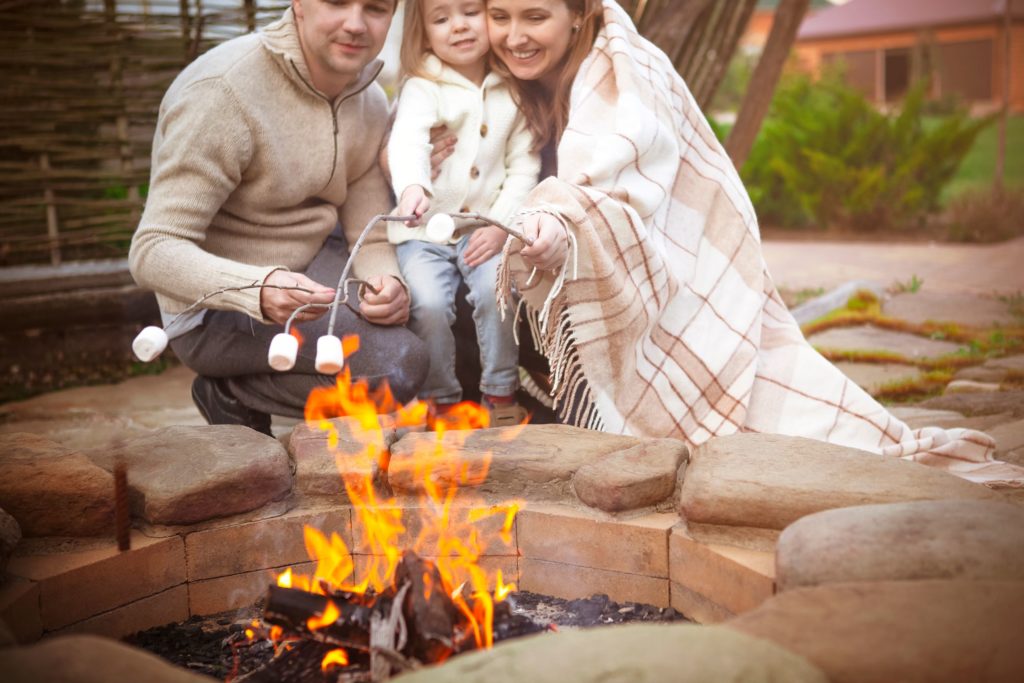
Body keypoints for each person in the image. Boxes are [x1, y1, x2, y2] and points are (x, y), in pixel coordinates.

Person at [484, 0, 1024, 487]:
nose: (514, 36)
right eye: (499, 16)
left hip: (676, 286)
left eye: (535, 16)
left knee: (786, 408)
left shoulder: (625, 71)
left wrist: (560, 222)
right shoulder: (488, 85)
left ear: (579, 13)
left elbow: (623, 191)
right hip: (539, 280)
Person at [129, 0, 429, 436]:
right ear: (299, 4)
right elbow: (152, 250)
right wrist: (259, 288)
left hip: (314, 267)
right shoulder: (222, 92)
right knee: (395, 366)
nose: (355, 23)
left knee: (434, 306)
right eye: (338, 3)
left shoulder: (369, 99)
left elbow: (370, 232)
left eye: (376, 8)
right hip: (213, 310)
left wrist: (387, 285)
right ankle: (233, 392)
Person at [386, 0, 540, 425]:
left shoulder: (513, 89)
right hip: (422, 233)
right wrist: (412, 186)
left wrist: (501, 227)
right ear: (425, 33)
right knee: (430, 302)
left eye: (470, 12)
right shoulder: (424, 84)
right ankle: (441, 399)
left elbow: (524, 166)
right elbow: (408, 141)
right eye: (441, 19)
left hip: (483, 228)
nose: (458, 27)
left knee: (496, 291)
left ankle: (501, 392)